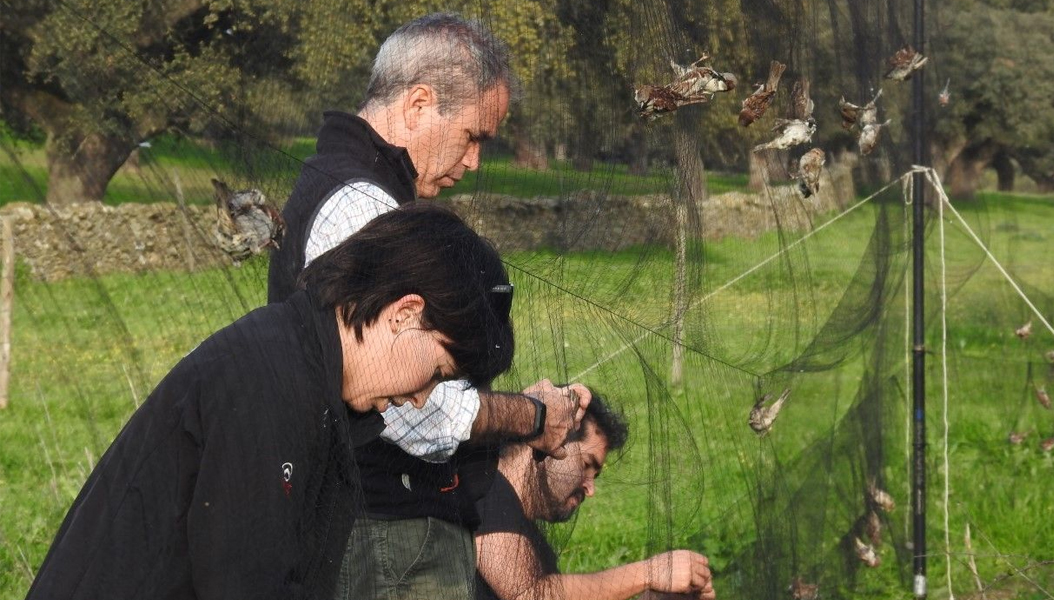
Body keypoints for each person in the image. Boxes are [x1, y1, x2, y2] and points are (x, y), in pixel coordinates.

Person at [27, 202, 514, 600]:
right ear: (405, 313)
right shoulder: (269, 385)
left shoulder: (305, 371)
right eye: (437, 372)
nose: (419, 397)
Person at [265, 13, 590, 600]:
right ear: (418, 104)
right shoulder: (363, 209)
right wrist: (532, 416)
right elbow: (415, 412)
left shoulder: (357, 190)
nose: (474, 163)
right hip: (380, 536)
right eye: (473, 137)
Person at [475, 393, 716, 600]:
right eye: (586, 464)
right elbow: (529, 595)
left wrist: (653, 590)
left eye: (595, 475)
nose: (590, 488)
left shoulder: (526, 534)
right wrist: (649, 573)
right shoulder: (485, 489)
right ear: (552, 439)